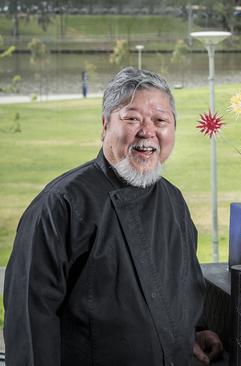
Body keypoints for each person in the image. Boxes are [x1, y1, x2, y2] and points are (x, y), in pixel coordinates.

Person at [3, 67, 222, 365]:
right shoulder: (60, 205)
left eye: (160, 121)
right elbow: (30, 322)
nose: (147, 132)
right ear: (105, 125)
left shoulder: (173, 201)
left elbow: (185, 285)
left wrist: (195, 330)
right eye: (131, 118)